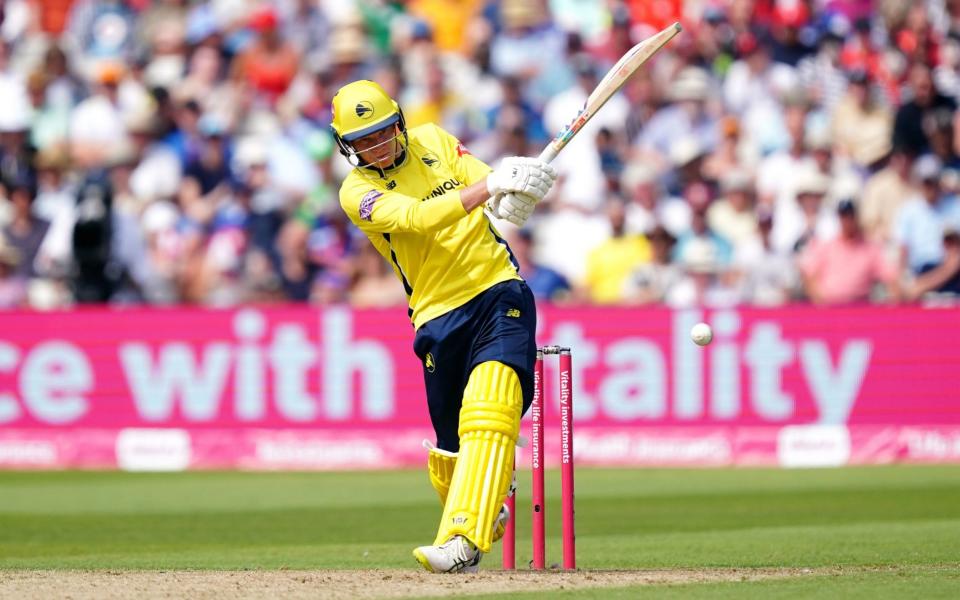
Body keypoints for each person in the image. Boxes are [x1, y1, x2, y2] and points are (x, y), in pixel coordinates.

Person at [330, 80, 557, 573]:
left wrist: (513, 192)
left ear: (399, 123)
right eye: (363, 140)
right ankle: (486, 496)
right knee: (450, 447)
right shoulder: (357, 192)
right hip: (436, 314)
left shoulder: (433, 139)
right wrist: (489, 188)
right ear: (348, 146)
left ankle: (460, 541)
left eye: (382, 132)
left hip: (497, 288)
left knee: (491, 405)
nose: (376, 146)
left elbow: (484, 180)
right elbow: (417, 218)